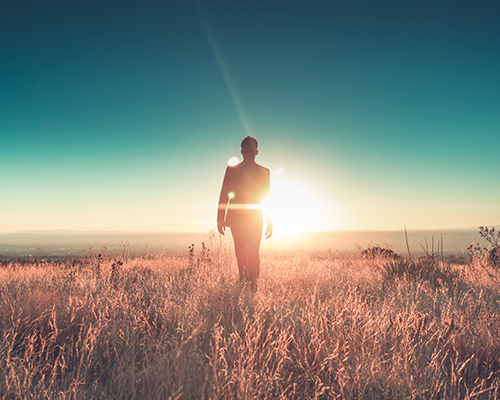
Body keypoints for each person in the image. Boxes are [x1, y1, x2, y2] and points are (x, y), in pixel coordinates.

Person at [217, 136, 273, 291]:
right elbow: (224, 194)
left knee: (254, 252)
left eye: (251, 150)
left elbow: (267, 197)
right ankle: (243, 282)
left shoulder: (264, 172)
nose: (248, 153)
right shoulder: (231, 170)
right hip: (236, 219)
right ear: (241, 151)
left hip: (255, 219)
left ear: (256, 151)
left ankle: (254, 285)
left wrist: (270, 222)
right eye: (245, 150)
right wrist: (220, 219)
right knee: (240, 251)